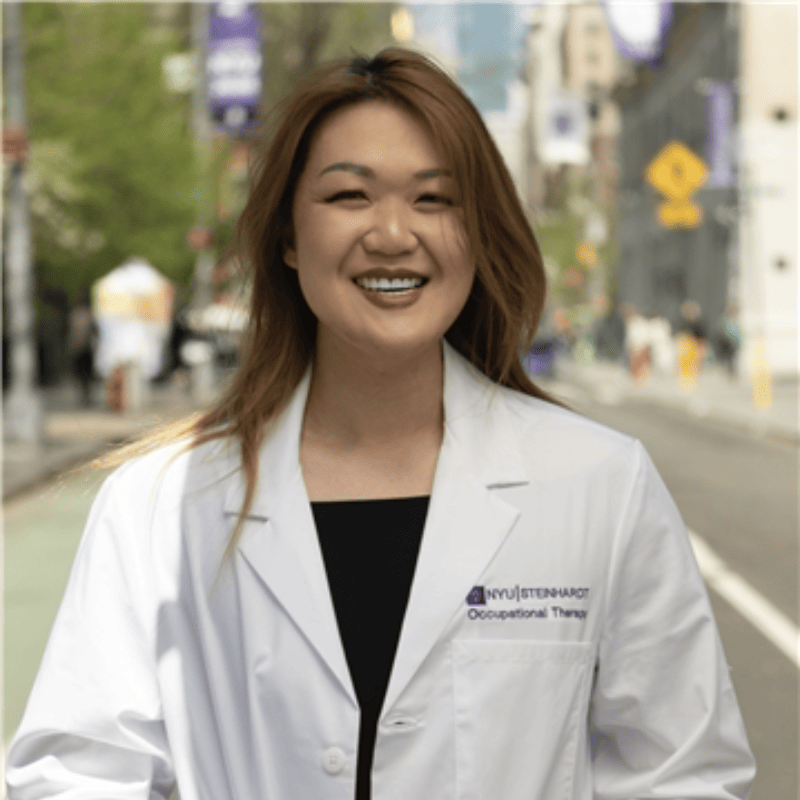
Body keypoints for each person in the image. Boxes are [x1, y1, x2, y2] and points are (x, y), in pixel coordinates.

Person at [6, 49, 755, 800]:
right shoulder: (160, 505)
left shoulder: (599, 484)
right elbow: (76, 776)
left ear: (480, 235)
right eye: (349, 196)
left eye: (435, 201)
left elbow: (683, 775)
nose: (394, 234)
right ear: (288, 238)